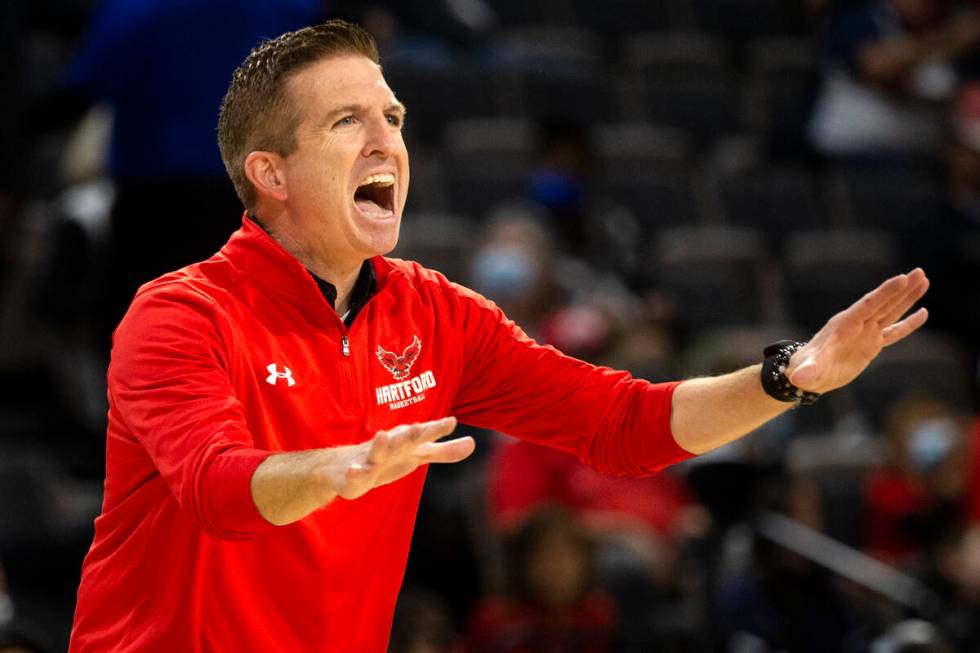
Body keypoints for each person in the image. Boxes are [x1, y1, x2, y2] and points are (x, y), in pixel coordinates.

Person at [68, 20, 931, 652]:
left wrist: (793, 377)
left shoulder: (435, 313)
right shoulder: (181, 314)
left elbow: (624, 425)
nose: (387, 143)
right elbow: (216, 490)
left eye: (394, 117)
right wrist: (346, 466)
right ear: (271, 173)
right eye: (348, 123)